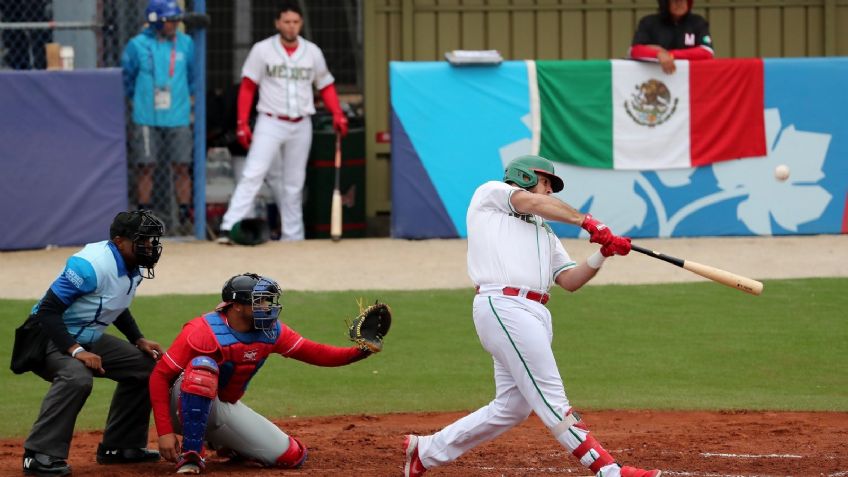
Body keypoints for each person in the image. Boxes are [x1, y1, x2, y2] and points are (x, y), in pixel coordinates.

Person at [402, 155, 661, 477]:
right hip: (504, 306)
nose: (550, 191)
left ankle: (426, 451)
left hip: (534, 313)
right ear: (524, 176)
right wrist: (589, 222)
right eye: (546, 182)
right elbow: (532, 202)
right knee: (552, 398)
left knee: (512, 408)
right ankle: (608, 470)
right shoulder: (491, 194)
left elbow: (569, 280)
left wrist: (602, 254)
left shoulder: (544, 231)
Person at [149, 273, 376, 474]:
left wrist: (361, 351)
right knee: (203, 369)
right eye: (259, 301)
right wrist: (164, 432)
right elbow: (160, 376)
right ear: (237, 306)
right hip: (179, 407)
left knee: (291, 456)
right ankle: (191, 456)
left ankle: (226, 443)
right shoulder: (201, 331)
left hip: (220, 408)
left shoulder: (271, 331)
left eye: (267, 300)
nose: (267, 306)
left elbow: (317, 353)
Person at [20, 210, 166, 476]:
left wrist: (138, 338)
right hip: (46, 336)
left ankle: (120, 447)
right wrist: (77, 351)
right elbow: (47, 312)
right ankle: (39, 455)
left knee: (148, 367)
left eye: (151, 240)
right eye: (142, 240)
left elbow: (114, 303)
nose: (149, 246)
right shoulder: (89, 265)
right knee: (77, 377)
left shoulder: (133, 265)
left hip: (86, 335)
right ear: (119, 241)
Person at [218, 2, 349, 243]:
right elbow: (248, 87)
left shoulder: (312, 52)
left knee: (294, 183)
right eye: (287, 22)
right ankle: (229, 226)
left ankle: (293, 235)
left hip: (301, 122)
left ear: (301, 23)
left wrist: (337, 113)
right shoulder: (262, 50)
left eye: (295, 22)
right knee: (253, 173)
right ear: (278, 23)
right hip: (270, 120)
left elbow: (325, 85)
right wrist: (242, 123)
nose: (291, 26)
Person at [121, 0, 196, 233]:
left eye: (176, 20)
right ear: (155, 21)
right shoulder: (137, 45)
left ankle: (184, 218)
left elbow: (193, 76)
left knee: (182, 166)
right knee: (146, 166)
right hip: (146, 114)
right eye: (168, 21)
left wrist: (189, 100)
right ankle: (144, 219)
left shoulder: (186, 43)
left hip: (178, 113)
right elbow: (127, 78)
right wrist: (139, 99)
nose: (174, 25)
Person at [629, 0, 714, 74]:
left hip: (689, 78)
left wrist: (667, 55)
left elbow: (707, 52)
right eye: (675, 0)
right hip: (657, 77)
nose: (680, 3)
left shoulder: (697, 22)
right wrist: (657, 54)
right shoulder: (649, 22)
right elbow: (635, 51)